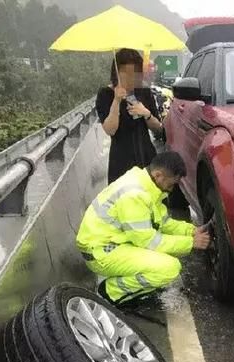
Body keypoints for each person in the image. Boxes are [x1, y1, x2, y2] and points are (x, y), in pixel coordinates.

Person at [76, 151, 211, 306]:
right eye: (171, 183)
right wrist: (191, 242)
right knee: (169, 268)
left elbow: (164, 223)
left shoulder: (147, 185)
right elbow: (149, 242)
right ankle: (110, 292)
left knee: (164, 259)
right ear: (159, 175)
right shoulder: (134, 195)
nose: (172, 189)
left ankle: (125, 284)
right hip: (102, 252)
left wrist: (191, 231)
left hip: (110, 244)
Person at [96, 48, 164, 184]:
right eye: (126, 74)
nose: (131, 78)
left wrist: (146, 113)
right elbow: (110, 130)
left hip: (146, 158)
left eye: (135, 73)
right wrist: (116, 101)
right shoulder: (105, 94)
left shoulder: (144, 92)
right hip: (121, 162)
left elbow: (159, 129)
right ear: (116, 73)